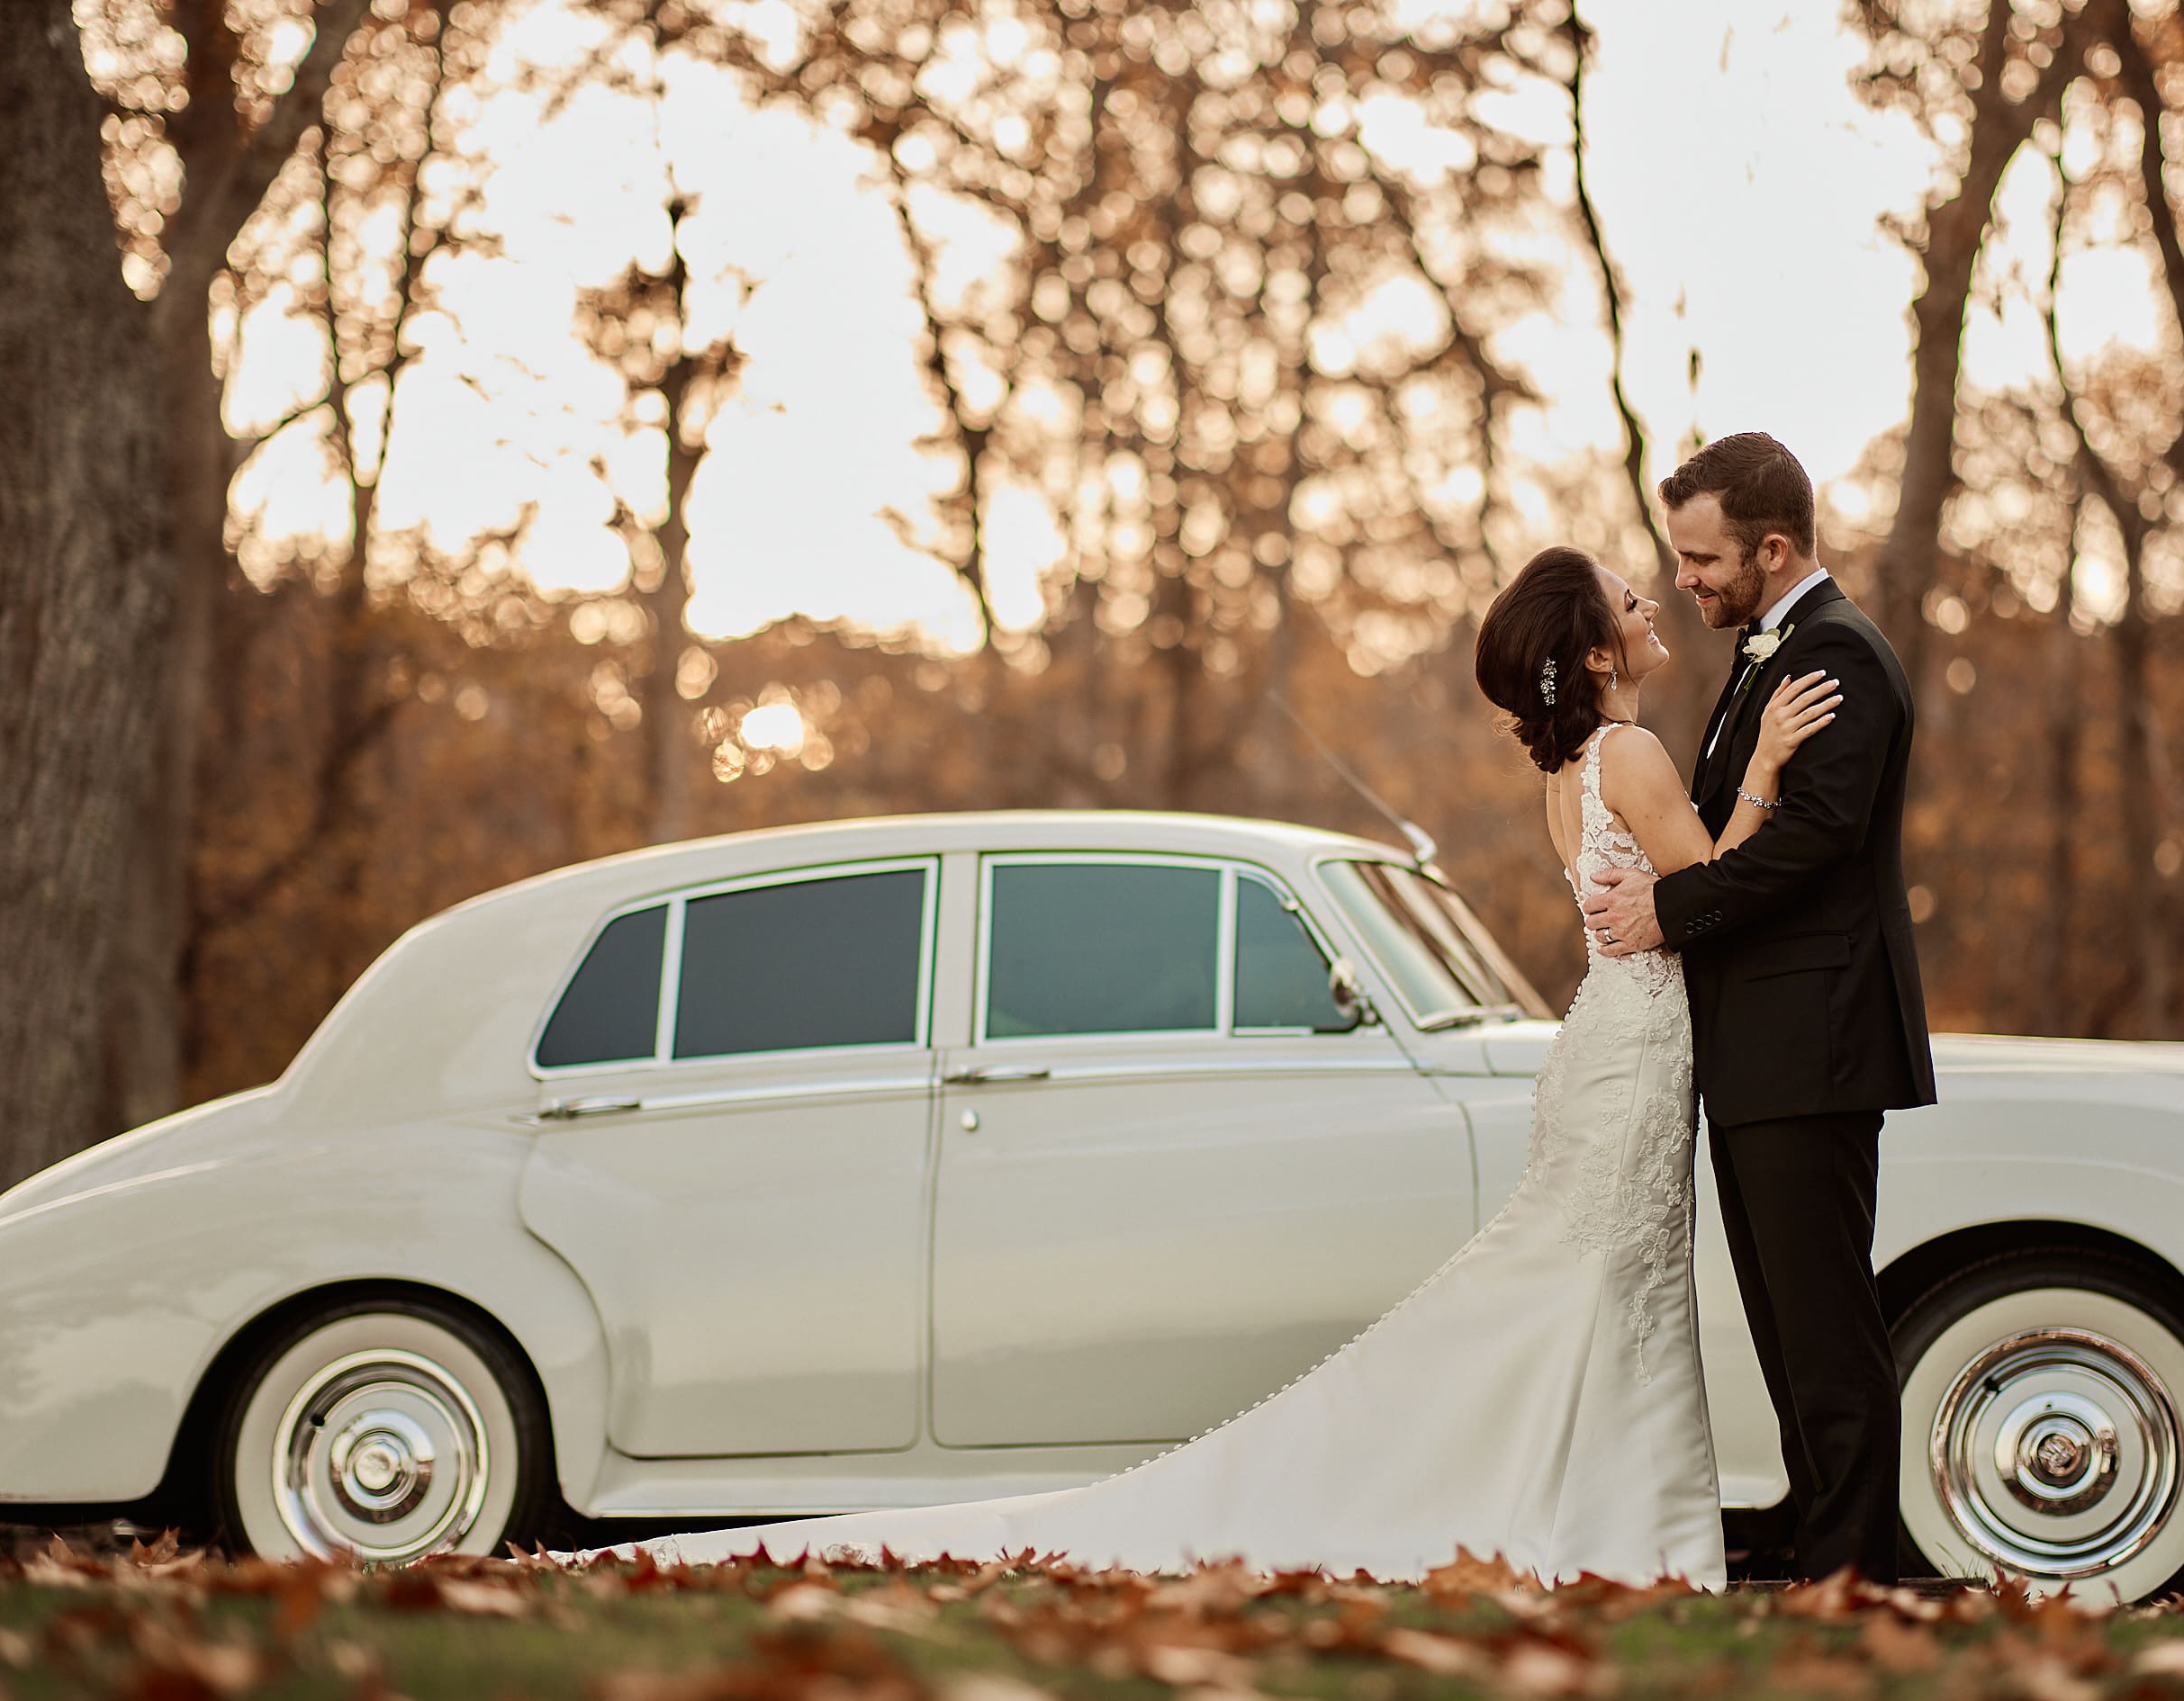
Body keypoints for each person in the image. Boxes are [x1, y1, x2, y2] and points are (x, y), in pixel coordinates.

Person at [591, 544, 1843, 1588]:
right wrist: (1775, 765)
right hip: (1628, 1052)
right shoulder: (1625, 758)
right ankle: (1611, 1528)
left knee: (1590, 1285)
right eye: (1628, 598)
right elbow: (1718, 882)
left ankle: (1602, 1521)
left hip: (1610, 1050)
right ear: (1596, 647)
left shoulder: (1571, 779)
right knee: (1603, 1285)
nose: (1647, 606)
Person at [1580, 433, 1937, 1583]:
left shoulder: (1843, 659)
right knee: (1786, 1331)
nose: (1683, 580)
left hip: (1816, 1046)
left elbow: (1816, 848)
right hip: (1757, 1055)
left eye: (1701, 558)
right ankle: (1826, 1548)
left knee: (1827, 1331)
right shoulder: (1765, 655)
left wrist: (1670, 910)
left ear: (1772, 549)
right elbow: (1755, 821)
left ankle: (1857, 1576)